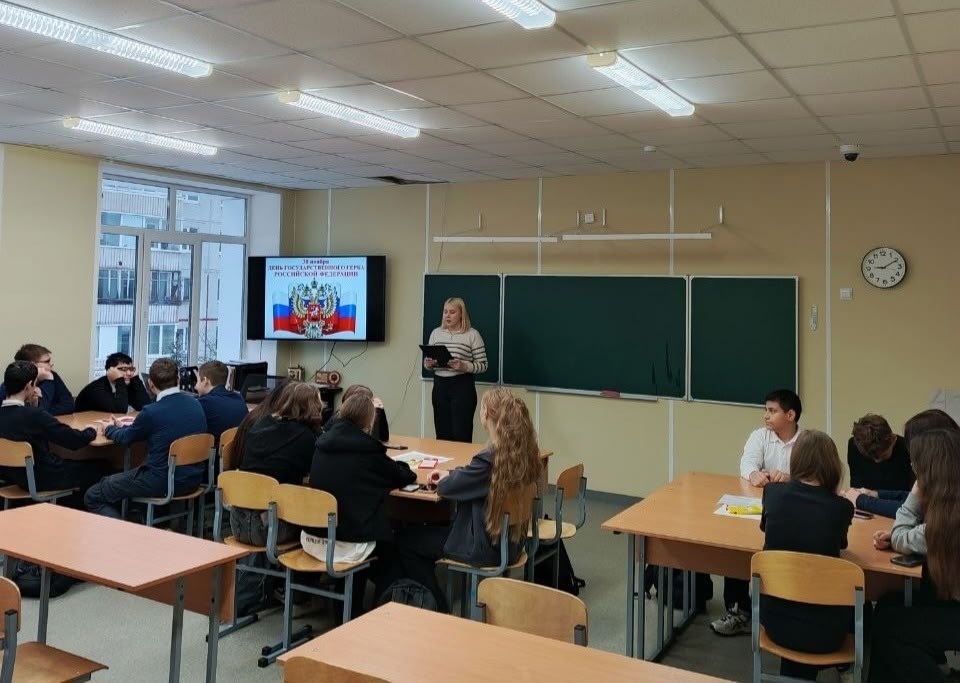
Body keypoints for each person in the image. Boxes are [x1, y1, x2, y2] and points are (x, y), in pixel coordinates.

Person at [397, 387, 541, 610]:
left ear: (486, 414)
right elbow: (470, 479)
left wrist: (448, 478)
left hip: (482, 547)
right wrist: (455, 474)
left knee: (406, 540)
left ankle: (438, 606)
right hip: (510, 543)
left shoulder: (488, 460)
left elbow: (447, 488)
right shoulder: (521, 454)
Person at [759, 430, 855, 680]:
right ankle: (848, 670)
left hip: (774, 622)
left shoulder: (773, 493)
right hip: (827, 633)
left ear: (796, 460)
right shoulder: (842, 508)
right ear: (832, 465)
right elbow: (841, 544)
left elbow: (767, 528)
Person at [868, 429, 960, 683]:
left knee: (894, 633)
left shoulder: (949, 521)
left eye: (916, 463)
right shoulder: (950, 507)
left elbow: (901, 536)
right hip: (952, 599)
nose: (912, 468)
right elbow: (911, 536)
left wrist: (916, 493)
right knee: (887, 604)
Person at [309, 393, 416, 610]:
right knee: (394, 554)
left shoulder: (321, 444)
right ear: (369, 421)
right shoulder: (367, 450)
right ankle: (382, 611)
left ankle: (348, 609)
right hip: (350, 539)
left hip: (315, 536)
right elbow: (403, 475)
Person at [711, 388, 803, 637]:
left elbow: (814, 477)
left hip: (791, 516)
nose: (766, 415)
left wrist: (791, 478)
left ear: (790, 415)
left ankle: (780, 610)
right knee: (736, 548)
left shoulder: (807, 442)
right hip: (757, 510)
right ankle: (738, 610)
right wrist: (753, 474)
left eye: (772, 411)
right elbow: (747, 463)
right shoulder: (760, 436)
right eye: (766, 410)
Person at [84, 358, 207, 519]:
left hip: (161, 481)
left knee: (93, 495)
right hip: (193, 478)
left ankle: (123, 531)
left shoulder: (152, 411)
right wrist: (123, 428)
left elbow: (126, 438)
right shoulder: (196, 404)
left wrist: (109, 429)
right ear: (178, 380)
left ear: (150, 384)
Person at [0, 361, 111, 503]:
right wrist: (92, 430)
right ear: (29, 385)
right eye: (35, 384)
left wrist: (33, 406)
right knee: (103, 466)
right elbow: (73, 441)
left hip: (12, 477)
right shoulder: (34, 415)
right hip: (42, 477)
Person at [230, 381, 323, 545]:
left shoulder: (260, 425)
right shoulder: (306, 438)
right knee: (314, 515)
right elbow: (313, 475)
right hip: (272, 528)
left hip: (238, 523)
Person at [873, 409, 960, 555]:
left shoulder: (947, 523)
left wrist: (900, 536)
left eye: (916, 457)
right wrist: (905, 536)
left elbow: (910, 535)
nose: (912, 464)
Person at [423, 297, 488, 443]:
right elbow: (428, 362)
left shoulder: (472, 334)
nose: (447, 315)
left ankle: (462, 459)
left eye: (452, 312)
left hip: (462, 386)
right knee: (442, 434)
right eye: (445, 311)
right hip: (440, 386)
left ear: (461, 314)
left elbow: (483, 365)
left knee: (461, 434)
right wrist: (428, 363)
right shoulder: (436, 333)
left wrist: (464, 366)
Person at [840, 414, 913, 518]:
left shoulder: (908, 448)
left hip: (896, 513)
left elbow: (909, 499)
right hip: (865, 510)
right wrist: (853, 495)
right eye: (869, 457)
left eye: (883, 455)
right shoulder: (854, 446)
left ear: (892, 439)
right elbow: (856, 484)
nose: (877, 461)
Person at [0, 344, 74, 415]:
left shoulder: (52, 375)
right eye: (47, 361)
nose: (51, 364)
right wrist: (48, 381)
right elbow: (24, 413)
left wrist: (44, 412)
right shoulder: (12, 381)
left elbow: (69, 405)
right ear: (32, 365)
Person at [75, 352, 152, 413]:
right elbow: (120, 411)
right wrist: (119, 380)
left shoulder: (128, 383)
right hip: (84, 424)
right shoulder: (96, 388)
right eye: (123, 369)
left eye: (131, 369)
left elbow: (146, 406)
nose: (129, 373)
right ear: (110, 370)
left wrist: (136, 379)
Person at [196, 360, 249, 444]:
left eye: (198, 381)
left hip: (214, 450)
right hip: (236, 449)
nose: (195, 386)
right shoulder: (239, 398)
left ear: (205, 381)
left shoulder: (204, 403)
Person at [324, 384, 390, 442]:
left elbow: (384, 437)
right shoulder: (339, 418)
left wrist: (381, 410)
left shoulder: (366, 417)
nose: (372, 404)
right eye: (370, 401)